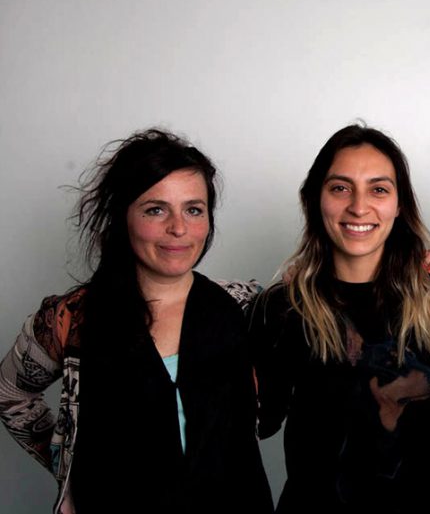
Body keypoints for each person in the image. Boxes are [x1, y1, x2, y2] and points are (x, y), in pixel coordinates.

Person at [0, 129, 272, 514]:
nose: (178, 228)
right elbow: (10, 392)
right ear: (122, 215)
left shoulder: (246, 308)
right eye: (155, 209)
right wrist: (68, 463)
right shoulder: (72, 317)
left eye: (194, 209)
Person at [248, 124, 430, 513]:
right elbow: (254, 423)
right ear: (315, 199)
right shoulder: (281, 308)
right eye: (340, 188)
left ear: (400, 204)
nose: (359, 207)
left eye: (378, 189)